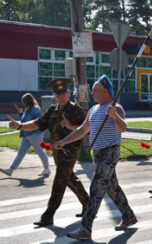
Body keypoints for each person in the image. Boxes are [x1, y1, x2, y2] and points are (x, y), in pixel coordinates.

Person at [54, 75, 137, 240]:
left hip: (110, 152)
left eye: (95, 90)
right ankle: (128, 216)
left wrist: (114, 116)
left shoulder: (115, 108)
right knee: (112, 188)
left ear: (106, 91)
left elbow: (123, 128)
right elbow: (82, 130)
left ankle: (86, 227)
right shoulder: (93, 110)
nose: (92, 93)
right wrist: (63, 141)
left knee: (96, 187)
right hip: (98, 154)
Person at [8, 78, 89, 227]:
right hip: (57, 153)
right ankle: (88, 204)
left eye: (63, 93)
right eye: (58, 94)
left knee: (59, 181)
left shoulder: (75, 110)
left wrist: (69, 125)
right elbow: (37, 123)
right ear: (54, 95)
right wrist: (20, 126)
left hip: (69, 152)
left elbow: (84, 130)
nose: (61, 96)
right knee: (69, 179)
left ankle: (48, 215)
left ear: (69, 93)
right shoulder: (52, 110)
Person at [1, 94, 50, 177]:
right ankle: (11, 170)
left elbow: (38, 122)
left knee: (40, 152)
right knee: (20, 153)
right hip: (26, 135)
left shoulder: (35, 109)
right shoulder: (27, 110)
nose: (22, 103)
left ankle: (47, 169)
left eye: (23, 101)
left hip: (35, 135)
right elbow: (26, 120)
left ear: (27, 101)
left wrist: (22, 122)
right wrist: (21, 114)